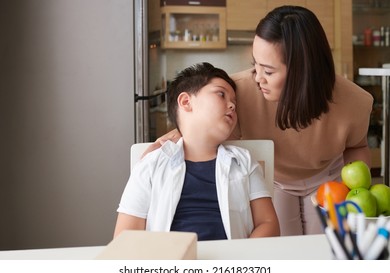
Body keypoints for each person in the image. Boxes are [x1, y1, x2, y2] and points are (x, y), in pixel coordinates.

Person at [144, 6, 374, 236]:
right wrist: (173, 138)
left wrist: (353, 192)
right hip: (275, 178)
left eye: (268, 71)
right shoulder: (238, 92)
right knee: (285, 251)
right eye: (255, 64)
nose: (257, 77)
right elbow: (199, 124)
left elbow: (357, 146)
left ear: (302, 72)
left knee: (325, 251)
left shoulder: (356, 101)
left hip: (328, 179)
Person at [114, 62, 280, 240]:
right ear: (186, 102)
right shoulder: (150, 164)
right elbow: (125, 237)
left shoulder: (244, 161)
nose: (231, 105)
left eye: (234, 102)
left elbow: (268, 223)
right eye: (221, 94)